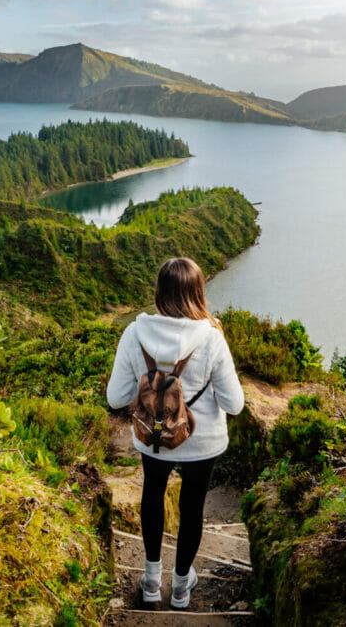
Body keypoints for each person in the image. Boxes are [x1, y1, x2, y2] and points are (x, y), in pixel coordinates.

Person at [106, 257, 244, 609]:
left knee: (152, 495)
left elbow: (117, 397)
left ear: (160, 291)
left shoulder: (134, 333)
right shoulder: (211, 338)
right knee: (193, 506)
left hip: (153, 438)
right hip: (201, 441)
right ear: (197, 292)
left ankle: (151, 581)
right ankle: (181, 588)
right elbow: (234, 403)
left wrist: (149, 389)